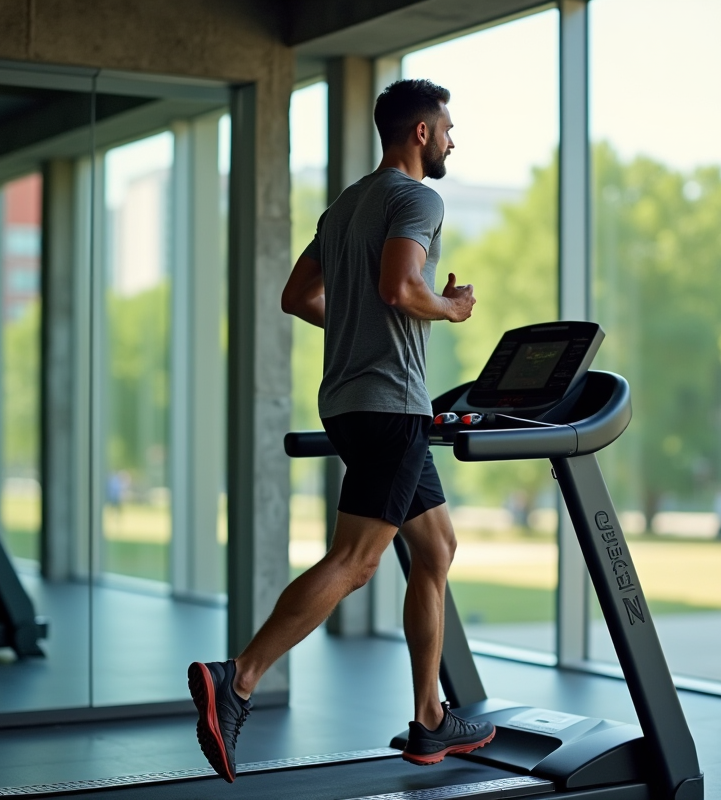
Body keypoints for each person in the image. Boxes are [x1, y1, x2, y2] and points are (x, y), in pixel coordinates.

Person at [188, 79, 494, 783]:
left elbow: (298, 298)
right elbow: (399, 289)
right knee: (356, 561)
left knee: (437, 547)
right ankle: (236, 678)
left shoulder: (348, 204)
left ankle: (429, 720)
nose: (452, 139)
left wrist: (360, 323)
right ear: (420, 132)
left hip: (356, 400)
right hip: (390, 405)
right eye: (447, 127)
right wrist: (450, 308)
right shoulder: (418, 198)